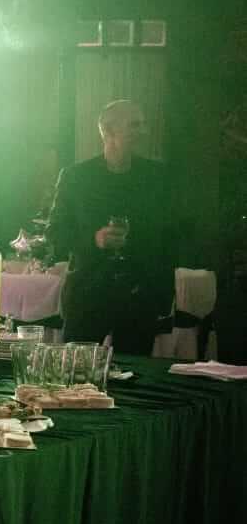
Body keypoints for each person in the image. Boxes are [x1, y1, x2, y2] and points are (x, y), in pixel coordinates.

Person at [46, 99, 174, 355]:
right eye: (134, 125)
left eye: (142, 125)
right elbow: (55, 233)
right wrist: (94, 239)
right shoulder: (76, 177)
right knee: (78, 372)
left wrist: (162, 294)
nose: (143, 132)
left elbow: (170, 236)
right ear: (108, 130)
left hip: (140, 296)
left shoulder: (157, 177)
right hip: (87, 294)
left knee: (135, 375)